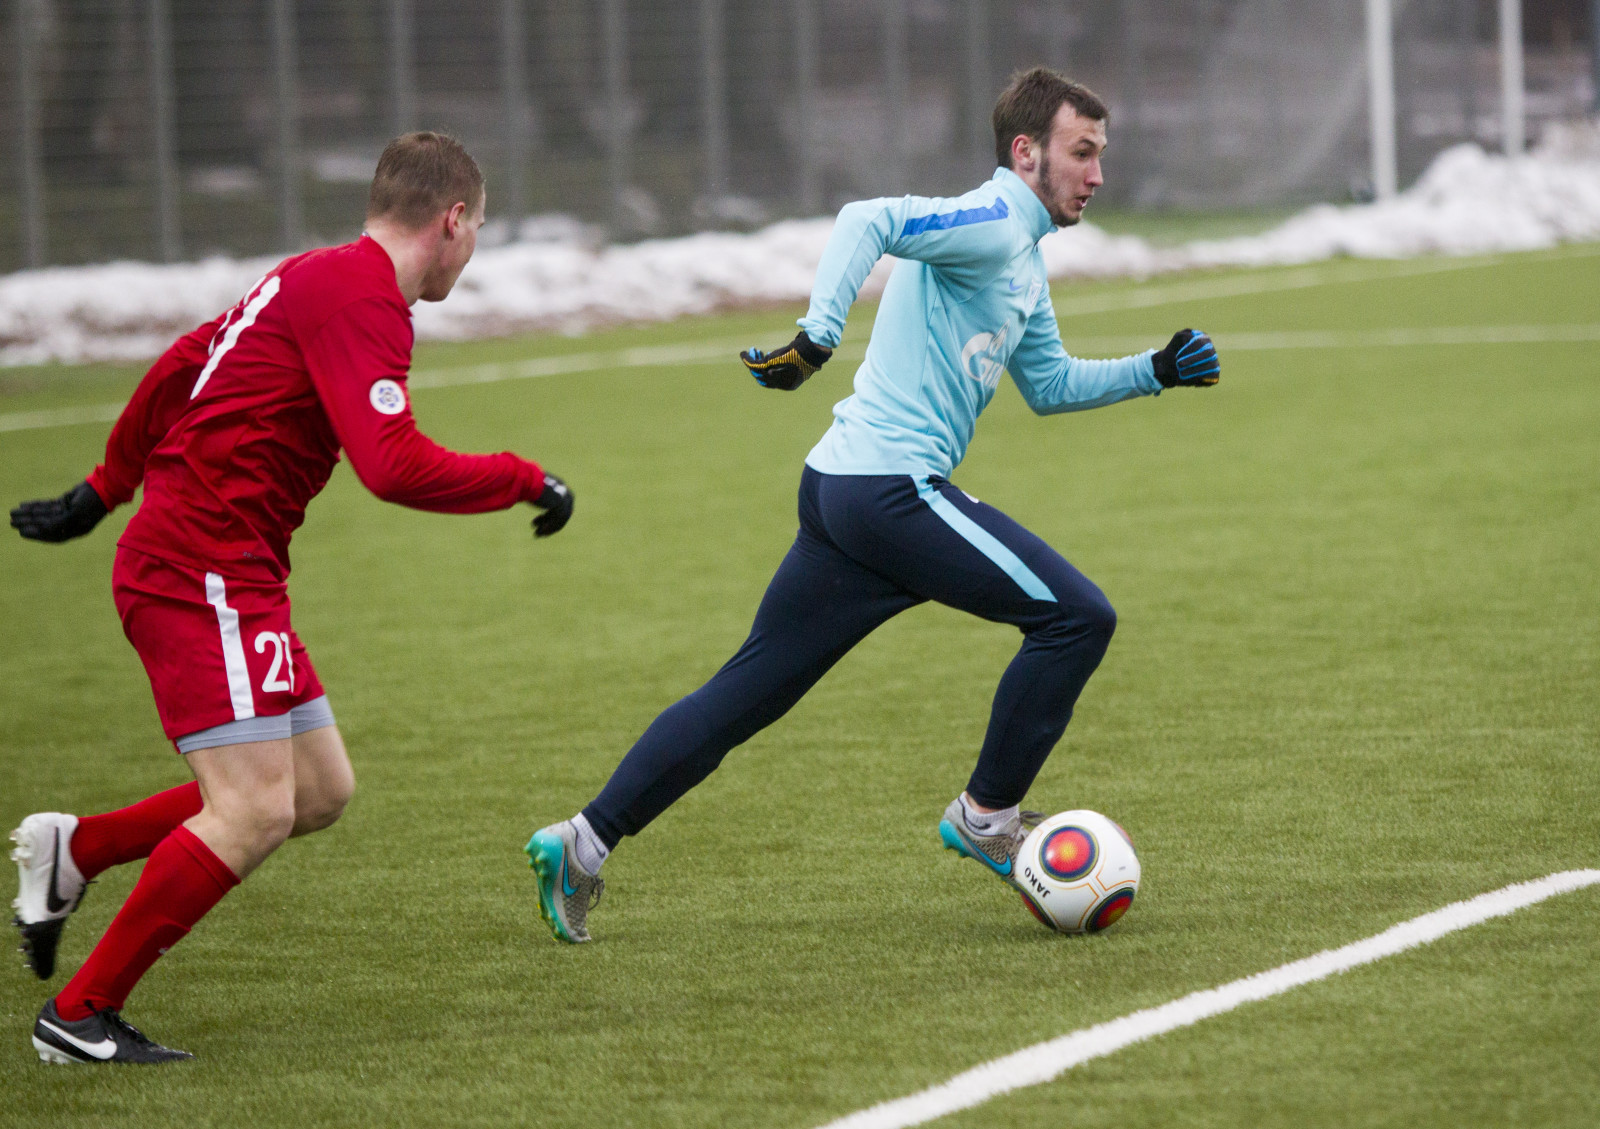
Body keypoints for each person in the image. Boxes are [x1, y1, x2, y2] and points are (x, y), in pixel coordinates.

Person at [524, 68, 1219, 944]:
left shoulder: (1023, 261)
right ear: (1026, 151)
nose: (1097, 174)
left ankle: (580, 843)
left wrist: (1151, 372)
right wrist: (819, 334)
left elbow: (1047, 383)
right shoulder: (995, 219)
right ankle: (986, 818)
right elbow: (869, 219)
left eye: (1100, 156)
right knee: (1078, 616)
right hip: (889, 490)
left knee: (745, 695)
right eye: (1083, 152)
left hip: (846, 494)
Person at [9, 131, 574, 1063]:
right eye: (477, 234)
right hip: (201, 570)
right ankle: (79, 1013)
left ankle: (79, 852)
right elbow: (390, 466)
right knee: (254, 808)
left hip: (231, 570)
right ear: (454, 219)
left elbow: (185, 361)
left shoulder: (312, 274)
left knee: (315, 789)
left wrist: (104, 487)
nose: (471, 254)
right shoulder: (365, 302)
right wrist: (523, 476)